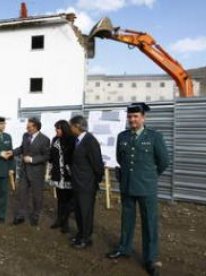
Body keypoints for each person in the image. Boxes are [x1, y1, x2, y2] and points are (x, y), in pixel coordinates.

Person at [106, 102, 169, 276]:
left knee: (149, 223)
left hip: (146, 187)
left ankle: (150, 258)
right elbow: (120, 159)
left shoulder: (154, 137)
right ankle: (124, 248)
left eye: (135, 116)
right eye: (130, 117)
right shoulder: (123, 136)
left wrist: (149, 176)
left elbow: (164, 161)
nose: (132, 120)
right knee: (127, 219)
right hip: (127, 185)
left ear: (143, 117)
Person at [69, 115, 104, 249]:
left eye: (71, 126)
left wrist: (94, 181)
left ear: (77, 126)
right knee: (78, 211)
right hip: (78, 183)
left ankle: (86, 238)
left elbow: (97, 165)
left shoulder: (90, 141)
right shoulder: (77, 140)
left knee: (86, 212)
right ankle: (80, 234)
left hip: (87, 185)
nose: (70, 128)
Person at [12, 117, 50, 226]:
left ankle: (35, 216)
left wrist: (32, 159)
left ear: (36, 127)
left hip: (37, 173)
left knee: (37, 196)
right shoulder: (25, 136)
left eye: (29, 127)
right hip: (25, 171)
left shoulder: (44, 139)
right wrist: (12, 152)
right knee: (22, 194)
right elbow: (22, 148)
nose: (26, 128)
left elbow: (46, 156)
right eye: (27, 126)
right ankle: (21, 215)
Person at [48, 120, 76, 233]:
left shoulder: (72, 140)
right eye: (56, 129)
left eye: (58, 129)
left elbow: (74, 157)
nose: (56, 131)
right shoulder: (55, 140)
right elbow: (52, 155)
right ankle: (59, 220)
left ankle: (65, 223)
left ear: (64, 129)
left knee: (68, 200)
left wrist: (71, 169)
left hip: (68, 175)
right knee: (60, 199)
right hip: (58, 175)